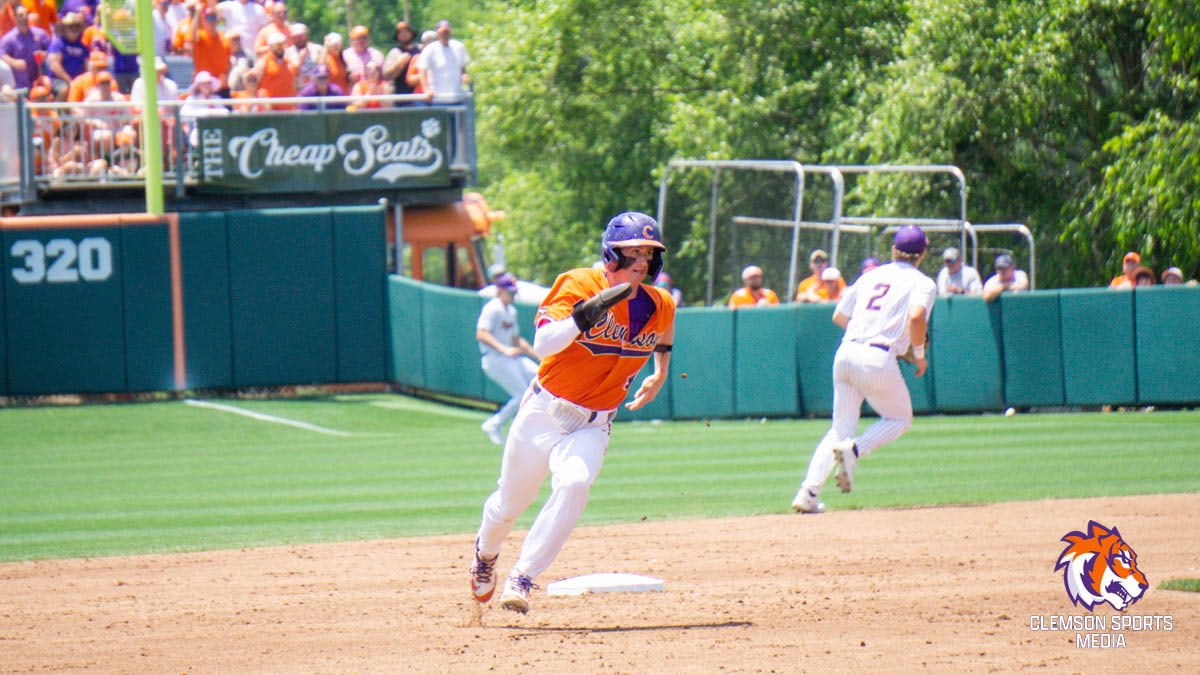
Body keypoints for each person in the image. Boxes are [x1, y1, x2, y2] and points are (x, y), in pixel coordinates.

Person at [469, 211, 676, 615]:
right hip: (544, 412)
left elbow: (666, 332)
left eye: (648, 254)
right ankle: (486, 554)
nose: (642, 261)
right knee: (509, 504)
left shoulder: (660, 303)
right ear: (611, 254)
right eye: (633, 251)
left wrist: (660, 371)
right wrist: (584, 316)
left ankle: (523, 577)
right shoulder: (578, 283)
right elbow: (544, 343)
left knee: (575, 484)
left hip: (594, 422)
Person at [791, 225, 936, 514]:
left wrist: (868, 331)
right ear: (922, 253)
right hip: (877, 356)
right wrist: (918, 355)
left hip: (846, 351)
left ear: (894, 249)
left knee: (839, 429)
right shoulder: (923, 283)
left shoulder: (872, 275)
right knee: (899, 418)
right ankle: (854, 450)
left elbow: (839, 315)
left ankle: (808, 493)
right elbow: (917, 316)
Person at [476, 273, 540, 446]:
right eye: (509, 292)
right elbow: (481, 333)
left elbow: (516, 340)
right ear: (499, 290)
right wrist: (504, 349)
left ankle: (523, 428)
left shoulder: (510, 310)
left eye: (513, 292)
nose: (512, 295)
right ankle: (494, 423)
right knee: (522, 394)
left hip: (512, 358)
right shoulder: (493, 308)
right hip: (495, 358)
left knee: (539, 381)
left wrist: (539, 356)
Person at [1, 5, 52, 91]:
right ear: (15, 18)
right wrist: (13, 62)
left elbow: (52, 49)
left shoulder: (40, 34)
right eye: (21, 15)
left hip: (39, 80)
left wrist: (45, 54)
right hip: (20, 81)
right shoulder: (9, 38)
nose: (24, 17)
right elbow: (1, 54)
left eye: (26, 14)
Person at [419, 19, 469, 103]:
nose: (445, 34)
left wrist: (465, 75)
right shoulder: (430, 49)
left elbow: (462, 68)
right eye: (443, 32)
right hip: (438, 99)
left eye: (447, 32)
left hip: (457, 97)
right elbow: (422, 70)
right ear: (437, 33)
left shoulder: (459, 47)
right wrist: (426, 90)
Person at [45, 11, 89, 99]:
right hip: (58, 80)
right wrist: (69, 81)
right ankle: (59, 112)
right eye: (70, 26)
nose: (74, 29)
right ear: (64, 28)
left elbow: (87, 68)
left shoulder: (83, 47)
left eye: (77, 26)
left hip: (78, 81)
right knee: (65, 89)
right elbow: (54, 66)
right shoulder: (58, 44)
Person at [252, 30, 295, 109]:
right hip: (268, 109)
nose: (279, 48)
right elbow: (253, 84)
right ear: (270, 46)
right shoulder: (263, 62)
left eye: (281, 45)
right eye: (276, 45)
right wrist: (261, 100)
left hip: (286, 109)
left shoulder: (289, 63)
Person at [382, 20, 419, 103]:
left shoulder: (420, 50)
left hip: (419, 96)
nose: (404, 34)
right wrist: (399, 64)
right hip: (401, 97)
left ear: (411, 33)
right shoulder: (395, 52)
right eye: (400, 33)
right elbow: (386, 75)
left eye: (406, 31)